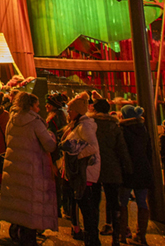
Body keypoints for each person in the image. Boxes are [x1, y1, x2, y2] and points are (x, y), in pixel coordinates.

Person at [0, 92, 57, 246]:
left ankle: (16, 232)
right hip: (32, 170)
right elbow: (49, 145)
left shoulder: (12, 120)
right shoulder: (35, 122)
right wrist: (51, 135)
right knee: (30, 208)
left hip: (14, 169)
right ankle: (28, 239)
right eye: (37, 106)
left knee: (19, 205)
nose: (38, 109)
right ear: (30, 106)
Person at [62, 92, 101, 246]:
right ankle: (90, 237)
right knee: (85, 207)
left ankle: (92, 239)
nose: (68, 113)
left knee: (87, 208)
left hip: (86, 173)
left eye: (70, 110)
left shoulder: (84, 126)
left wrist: (77, 156)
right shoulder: (78, 125)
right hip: (81, 172)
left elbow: (93, 147)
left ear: (77, 111)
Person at [92, 97, 131, 246]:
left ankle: (94, 235)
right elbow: (121, 148)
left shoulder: (90, 124)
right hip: (112, 168)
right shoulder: (114, 126)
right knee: (114, 202)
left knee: (94, 202)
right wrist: (128, 167)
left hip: (93, 167)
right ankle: (116, 236)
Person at [119, 105, 154, 245]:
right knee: (142, 202)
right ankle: (141, 235)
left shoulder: (122, 130)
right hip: (143, 171)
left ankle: (122, 235)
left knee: (122, 202)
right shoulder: (143, 129)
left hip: (127, 172)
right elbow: (149, 152)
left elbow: (121, 152)